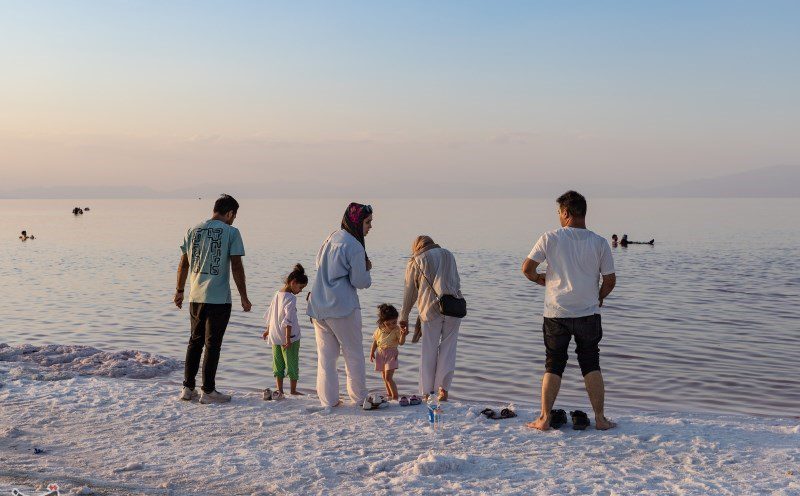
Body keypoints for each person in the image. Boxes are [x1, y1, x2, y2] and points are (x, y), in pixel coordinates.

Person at [522, 190, 617, 431]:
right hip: (588, 313)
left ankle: (544, 419)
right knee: (591, 362)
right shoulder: (599, 242)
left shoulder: (551, 238)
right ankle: (600, 419)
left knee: (554, 363)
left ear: (566, 213)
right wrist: (599, 297)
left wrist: (539, 279)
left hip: (556, 313)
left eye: (558, 213)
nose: (558, 217)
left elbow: (527, 268)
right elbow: (610, 281)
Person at [174, 194, 252, 404]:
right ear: (230, 213)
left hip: (195, 296)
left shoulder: (193, 230)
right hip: (218, 299)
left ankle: (187, 388)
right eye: (234, 216)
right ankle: (208, 390)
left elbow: (184, 263)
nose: (233, 220)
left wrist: (179, 290)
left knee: (194, 342)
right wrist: (244, 297)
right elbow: (236, 265)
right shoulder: (231, 232)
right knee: (212, 345)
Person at [307, 202, 373, 408]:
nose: (370, 227)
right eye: (367, 222)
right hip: (343, 307)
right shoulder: (354, 245)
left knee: (326, 357)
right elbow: (360, 282)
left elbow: (318, 265)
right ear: (357, 222)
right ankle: (360, 398)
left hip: (318, 304)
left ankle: (329, 400)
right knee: (353, 354)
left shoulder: (331, 237)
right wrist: (367, 268)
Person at [399, 235, 463, 402]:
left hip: (430, 309)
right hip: (453, 306)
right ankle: (443, 390)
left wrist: (404, 316)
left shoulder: (416, 260)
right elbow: (456, 281)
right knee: (449, 349)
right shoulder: (448, 254)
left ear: (417, 247)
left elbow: (410, 292)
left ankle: (427, 392)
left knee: (429, 350)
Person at [262, 264, 308, 397]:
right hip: (290, 338)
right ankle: (293, 390)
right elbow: (288, 320)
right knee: (292, 362)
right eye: (300, 287)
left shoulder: (277, 294)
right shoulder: (291, 298)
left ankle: (280, 390)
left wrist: (268, 330)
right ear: (293, 283)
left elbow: (271, 314)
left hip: (275, 335)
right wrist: (288, 339)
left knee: (278, 363)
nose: (300, 291)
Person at [369, 304, 408, 400]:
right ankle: (389, 394)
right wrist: (372, 352)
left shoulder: (397, 329)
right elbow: (375, 341)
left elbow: (401, 343)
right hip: (380, 353)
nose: (392, 325)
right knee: (384, 377)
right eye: (389, 323)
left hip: (391, 354)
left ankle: (395, 396)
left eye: (394, 322)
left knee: (388, 377)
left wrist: (403, 335)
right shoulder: (380, 329)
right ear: (383, 322)